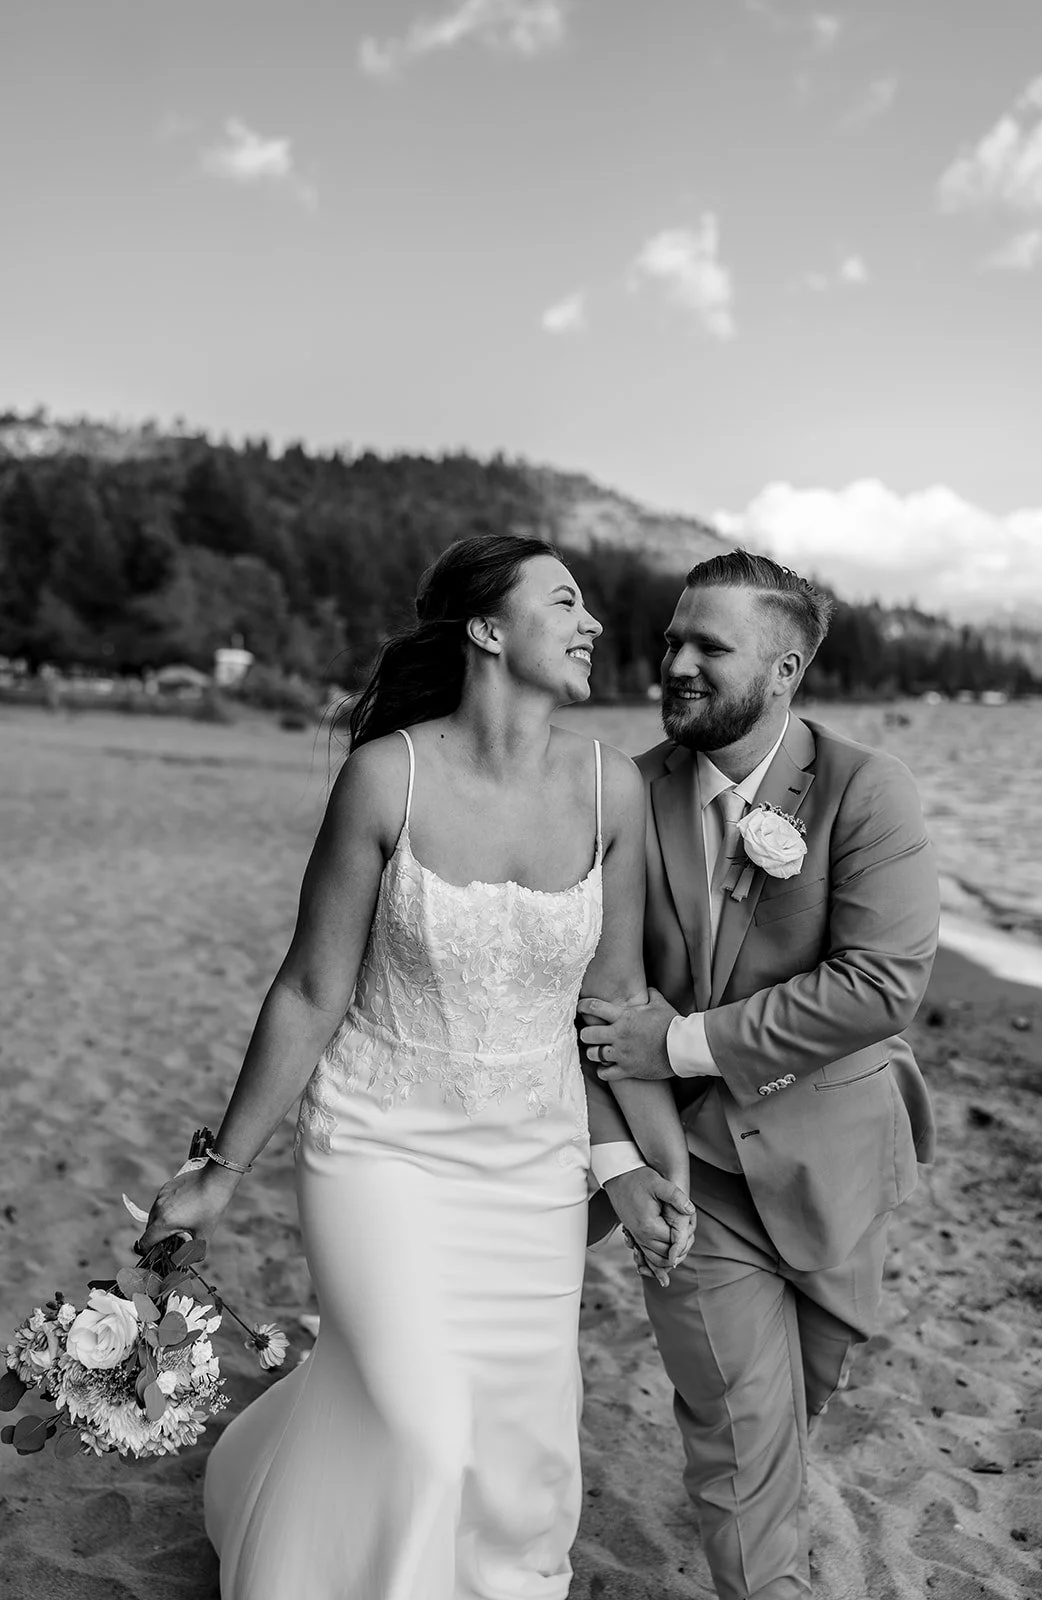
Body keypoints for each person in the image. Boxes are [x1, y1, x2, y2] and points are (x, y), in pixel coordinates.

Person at [136, 533, 694, 1600]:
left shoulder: (610, 788)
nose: (593, 626)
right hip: (378, 1145)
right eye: (565, 603)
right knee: (424, 1428)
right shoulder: (382, 777)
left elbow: (610, 1004)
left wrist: (630, 1164)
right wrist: (224, 1166)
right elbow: (309, 988)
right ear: (486, 630)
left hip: (531, 1167)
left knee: (516, 1448)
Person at [580, 551, 939, 1600]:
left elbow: (880, 982)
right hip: (692, 1169)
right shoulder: (621, 794)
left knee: (798, 1400)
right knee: (738, 1433)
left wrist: (680, 1039)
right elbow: (596, 1001)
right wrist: (623, 1152)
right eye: (671, 641)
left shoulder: (864, 787)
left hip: (839, 1164)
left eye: (708, 646)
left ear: (782, 670)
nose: (675, 662)